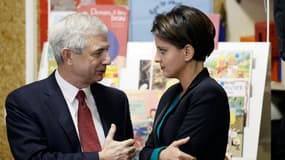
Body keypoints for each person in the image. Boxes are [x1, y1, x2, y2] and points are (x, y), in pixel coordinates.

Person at [5, 13, 135, 160]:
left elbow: (126, 153)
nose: (108, 60)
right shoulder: (25, 103)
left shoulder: (116, 100)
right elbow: (34, 158)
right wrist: (99, 158)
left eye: (107, 50)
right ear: (68, 56)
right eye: (98, 53)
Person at [139, 5, 230, 160]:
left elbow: (182, 155)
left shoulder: (209, 94)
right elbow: (144, 152)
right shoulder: (171, 93)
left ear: (187, 52)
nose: (156, 58)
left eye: (163, 51)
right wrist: (161, 155)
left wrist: (155, 154)